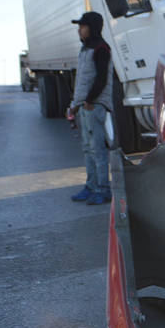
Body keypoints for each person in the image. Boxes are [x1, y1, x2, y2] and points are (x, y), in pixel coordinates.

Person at [67, 11, 114, 205]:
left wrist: (89, 101)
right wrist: (74, 105)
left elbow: (101, 79)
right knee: (88, 149)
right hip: (85, 106)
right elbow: (82, 81)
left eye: (82, 26)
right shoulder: (86, 49)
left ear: (92, 27)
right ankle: (91, 186)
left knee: (97, 149)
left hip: (95, 106)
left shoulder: (101, 48)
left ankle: (103, 189)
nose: (79, 30)